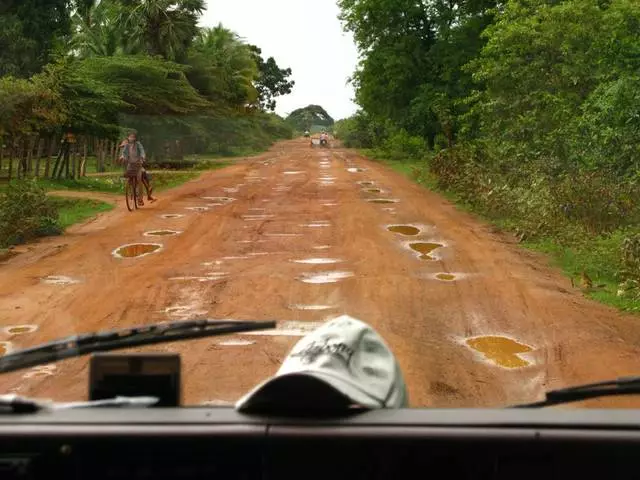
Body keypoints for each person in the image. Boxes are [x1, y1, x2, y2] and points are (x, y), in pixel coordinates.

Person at [119, 133, 156, 205]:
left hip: (138, 165)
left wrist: (142, 156)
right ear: (128, 138)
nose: (131, 138)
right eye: (130, 137)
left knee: (139, 180)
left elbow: (142, 151)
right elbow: (124, 154)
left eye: (132, 137)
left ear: (135, 138)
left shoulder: (138, 144)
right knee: (129, 177)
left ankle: (140, 199)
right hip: (130, 165)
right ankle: (132, 189)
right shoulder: (127, 146)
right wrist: (122, 157)